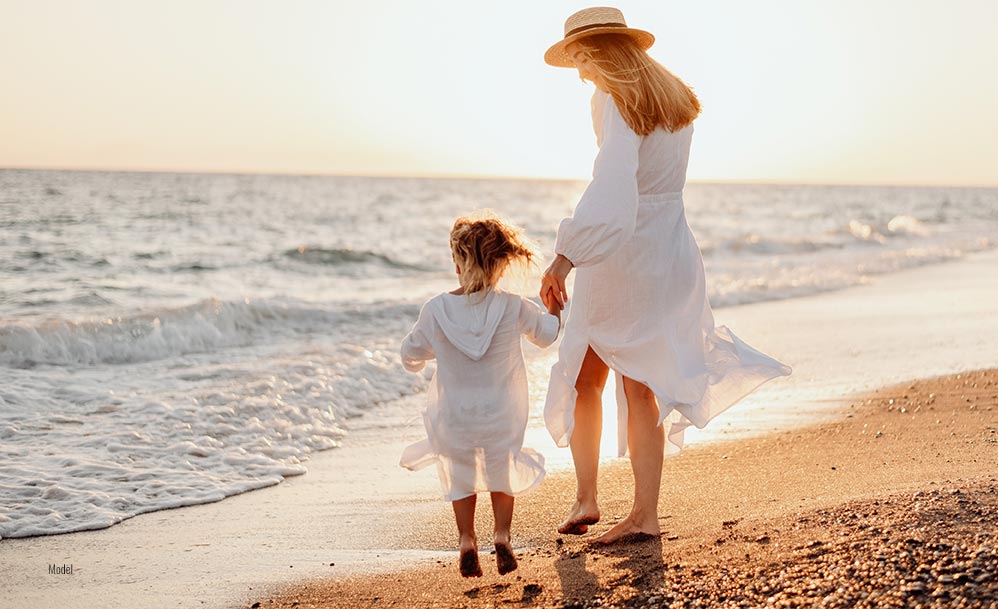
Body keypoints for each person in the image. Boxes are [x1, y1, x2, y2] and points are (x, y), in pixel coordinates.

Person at [539, 7, 791, 545]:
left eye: (582, 58)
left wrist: (565, 255)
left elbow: (612, 189)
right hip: (669, 245)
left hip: (624, 253)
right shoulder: (672, 96)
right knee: (640, 384)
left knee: (585, 375)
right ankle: (643, 513)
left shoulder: (612, 98)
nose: (581, 72)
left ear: (602, 50)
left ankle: (589, 498)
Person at [400, 211, 561, 577]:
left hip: (455, 415)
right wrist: (552, 303)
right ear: (500, 266)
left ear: (458, 265)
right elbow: (547, 335)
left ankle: (467, 540)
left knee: (460, 474)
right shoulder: (511, 305)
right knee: (500, 469)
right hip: (501, 411)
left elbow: (410, 354)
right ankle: (502, 535)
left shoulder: (436, 309)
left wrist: (425, 354)